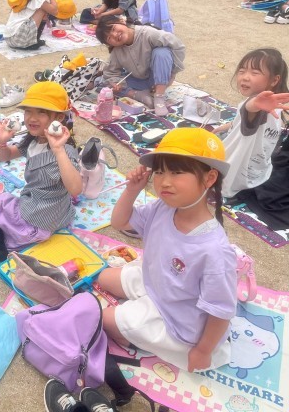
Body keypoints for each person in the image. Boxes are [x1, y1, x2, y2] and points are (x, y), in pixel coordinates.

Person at [99, 127, 236, 373]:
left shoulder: (214, 250)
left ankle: (137, 340)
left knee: (104, 318)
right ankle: (137, 320)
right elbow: (119, 222)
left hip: (178, 320)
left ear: (209, 178)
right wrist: (132, 190)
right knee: (103, 277)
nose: (164, 181)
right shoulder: (163, 208)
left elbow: (221, 311)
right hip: (157, 283)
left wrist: (203, 351)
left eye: (177, 172)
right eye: (160, 171)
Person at [0, 82, 82, 266]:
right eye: (28, 111)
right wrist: (0, 141)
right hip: (55, 215)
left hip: (35, 218)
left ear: (59, 117)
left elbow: (76, 189)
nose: (32, 118)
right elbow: (6, 156)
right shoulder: (34, 140)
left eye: (41, 112)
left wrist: (58, 150)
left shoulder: (65, 151)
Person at [218, 49, 289, 206]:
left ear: (274, 80)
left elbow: (250, 111)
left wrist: (253, 105)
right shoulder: (273, 106)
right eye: (242, 71)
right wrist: (222, 128)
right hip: (258, 171)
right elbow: (242, 121)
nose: (245, 77)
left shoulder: (258, 107)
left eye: (255, 73)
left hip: (235, 171)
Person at [96, 15, 185, 116]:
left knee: (162, 52)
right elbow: (110, 73)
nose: (115, 35)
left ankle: (159, 97)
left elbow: (178, 46)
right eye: (109, 38)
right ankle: (140, 96)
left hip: (159, 79)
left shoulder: (147, 33)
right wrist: (115, 83)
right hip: (140, 82)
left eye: (113, 29)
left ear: (122, 21)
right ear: (109, 44)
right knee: (103, 85)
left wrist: (171, 74)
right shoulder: (117, 51)